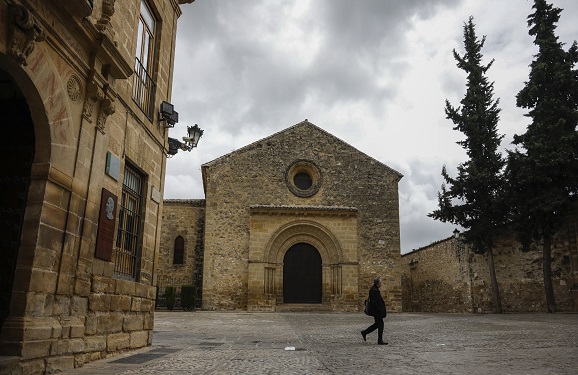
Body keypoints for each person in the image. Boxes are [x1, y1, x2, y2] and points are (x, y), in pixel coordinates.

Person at [361, 276, 388, 345]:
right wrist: (379, 309)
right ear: (378, 283)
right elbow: (374, 302)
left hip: (376, 311)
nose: (381, 284)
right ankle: (379, 340)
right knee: (380, 324)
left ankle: (365, 332)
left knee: (377, 324)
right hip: (377, 312)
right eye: (380, 282)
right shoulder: (374, 290)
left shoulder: (374, 289)